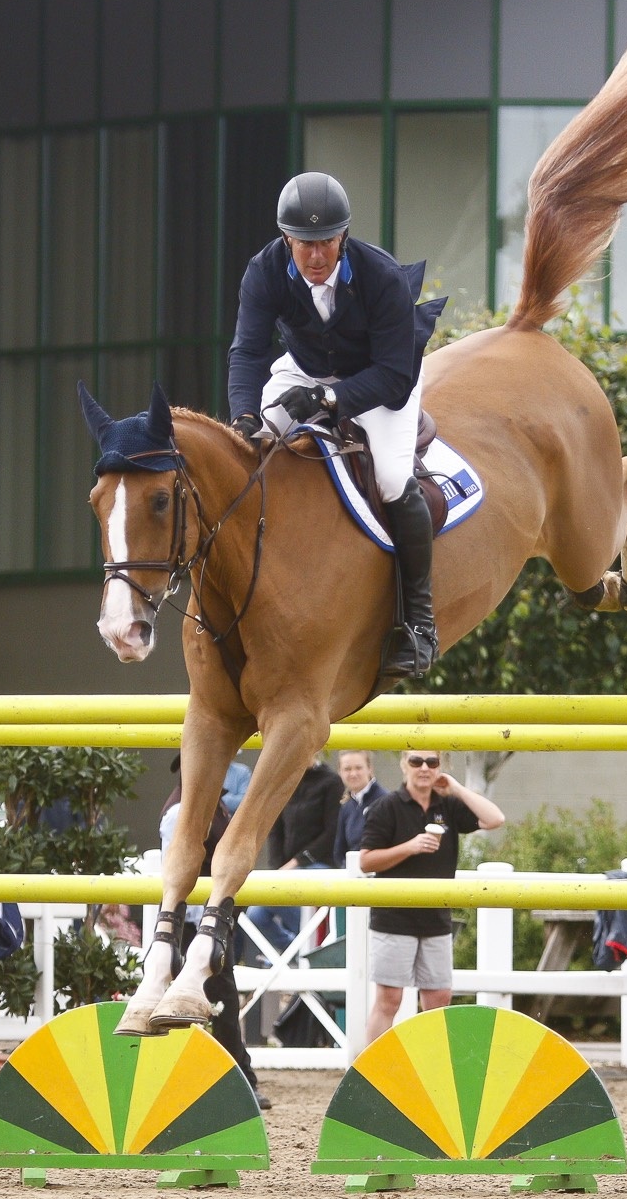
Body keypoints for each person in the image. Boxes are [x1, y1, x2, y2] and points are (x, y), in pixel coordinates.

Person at [226, 172, 446, 679]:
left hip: (378, 378)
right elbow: (249, 352)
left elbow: (393, 375)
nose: (316, 256)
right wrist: (243, 415)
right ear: (287, 240)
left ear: (343, 236)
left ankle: (419, 623)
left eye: (326, 242)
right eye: (304, 244)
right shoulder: (263, 271)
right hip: (302, 366)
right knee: (250, 452)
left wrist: (329, 398)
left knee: (392, 480)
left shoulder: (381, 276)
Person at [357, 751, 504, 1041]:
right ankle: (367, 1076)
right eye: (416, 761)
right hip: (393, 918)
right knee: (389, 1001)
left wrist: (457, 788)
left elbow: (495, 819)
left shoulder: (448, 805)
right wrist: (409, 847)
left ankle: (433, 1073)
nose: (424, 768)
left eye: (432, 762)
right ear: (403, 765)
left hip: (436, 917)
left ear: (440, 767)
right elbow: (366, 861)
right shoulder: (386, 807)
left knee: (439, 999)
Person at [157, 759, 266, 1108]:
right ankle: (237, 1080)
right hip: (195, 922)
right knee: (221, 1000)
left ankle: (233, 1078)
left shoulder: (206, 808)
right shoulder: (180, 814)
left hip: (206, 919)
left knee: (223, 1001)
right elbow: (175, 871)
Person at [246, 753, 345, 962]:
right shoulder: (284, 780)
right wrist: (278, 867)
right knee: (255, 914)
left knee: (293, 905)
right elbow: (275, 829)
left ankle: (307, 951)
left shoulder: (331, 781)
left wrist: (296, 862)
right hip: (289, 868)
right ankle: (297, 952)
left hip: (321, 864)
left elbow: (331, 833)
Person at [332, 750, 385, 869]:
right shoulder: (346, 806)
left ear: (369, 768)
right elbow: (339, 851)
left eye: (358, 768)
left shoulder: (385, 801)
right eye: (347, 769)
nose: (353, 773)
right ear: (339, 772)